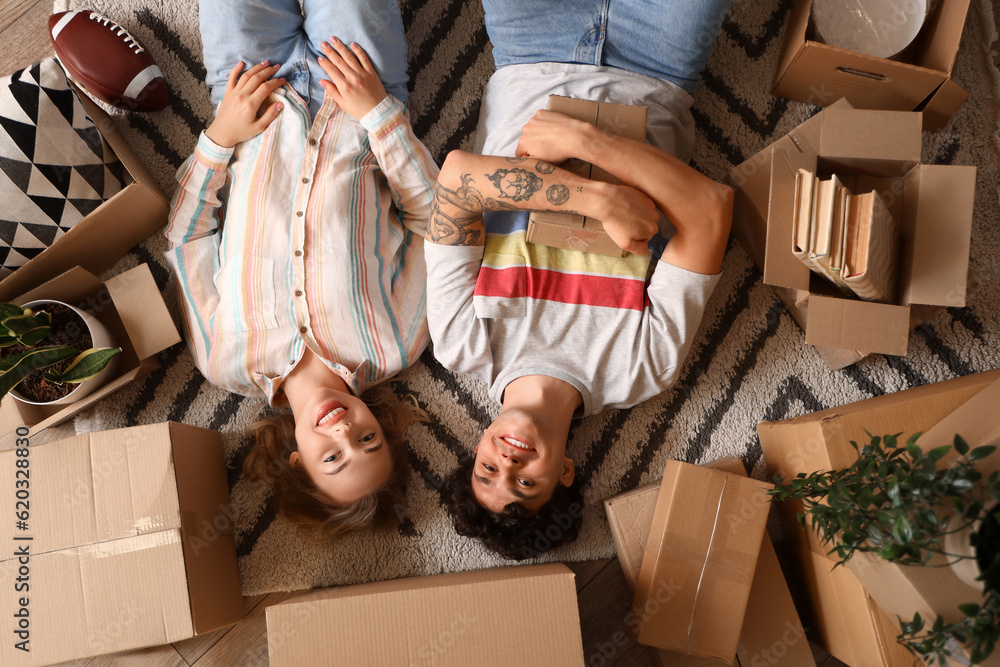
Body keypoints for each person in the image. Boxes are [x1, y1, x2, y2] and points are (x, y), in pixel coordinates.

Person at [425, 0, 736, 559]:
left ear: (475, 450)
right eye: (525, 483)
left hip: (530, 46)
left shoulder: (462, 344)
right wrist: (588, 147)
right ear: (565, 472)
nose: (509, 460)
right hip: (658, 65)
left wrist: (601, 198)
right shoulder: (639, 371)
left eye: (487, 470)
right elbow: (711, 210)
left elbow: (457, 182)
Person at [165, 0, 438, 535]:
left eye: (332, 457)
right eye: (367, 440)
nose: (343, 431)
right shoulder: (396, 345)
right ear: (382, 428)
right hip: (358, 90)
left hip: (250, 95)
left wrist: (219, 137)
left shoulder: (224, 361)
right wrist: (380, 113)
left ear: (297, 460)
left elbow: (186, 239)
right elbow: (434, 226)